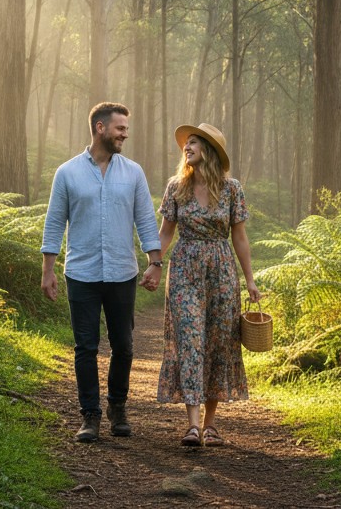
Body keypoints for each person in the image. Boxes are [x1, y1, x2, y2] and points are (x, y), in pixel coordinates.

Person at [41, 102, 163, 443]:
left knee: (123, 346)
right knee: (85, 347)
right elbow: (54, 224)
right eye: (120, 128)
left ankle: (117, 408)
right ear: (100, 128)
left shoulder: (134, 172)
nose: (125, 133)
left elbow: (146, 221)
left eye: (126, 128)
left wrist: (155, 263)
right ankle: (90, 416)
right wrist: (47, 270)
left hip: (123, 273)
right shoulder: (67, 173)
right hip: (81, 272)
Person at [143, 122, 260, 447]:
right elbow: (166, 231)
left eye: (194, 143)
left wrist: (249, 279)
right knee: (190, 340)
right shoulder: (176, 187)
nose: (187, 147)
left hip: (222, 271)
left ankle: (211, 425)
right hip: (184, 270)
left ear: (209, 150)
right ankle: (192, 426)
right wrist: (154, 265)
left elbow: (239, 236)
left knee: (218, 342)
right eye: (186, 143)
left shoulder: (232, 188)